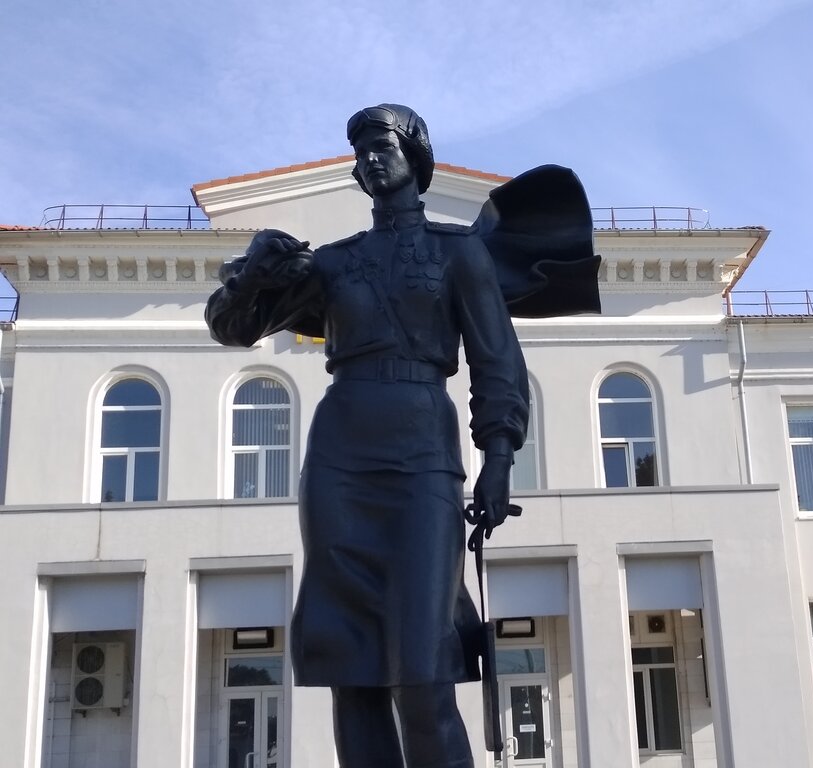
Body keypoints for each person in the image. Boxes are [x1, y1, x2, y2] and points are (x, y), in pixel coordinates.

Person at [207, 104, 599, 767]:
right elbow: (232, 328)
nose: (369, 159)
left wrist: (498, 457)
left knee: (422, 671)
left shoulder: (459, 252)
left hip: (423, 455)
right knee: (352, 669)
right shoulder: (333, 264)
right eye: (358, 151)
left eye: (381, 145)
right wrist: (256, 269)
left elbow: (498, 361)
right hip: (340, 457)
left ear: (415, 154)